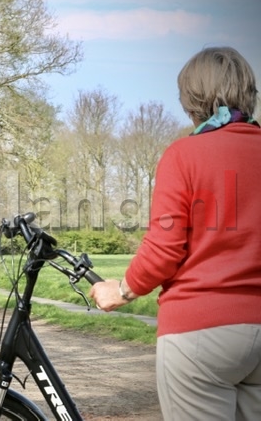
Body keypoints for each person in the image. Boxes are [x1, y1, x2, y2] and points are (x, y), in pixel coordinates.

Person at [90, 46, 261, 421]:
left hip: (200, 333)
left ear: (191, 98)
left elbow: (165, 248)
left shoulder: (184, 155)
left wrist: (120, 290)